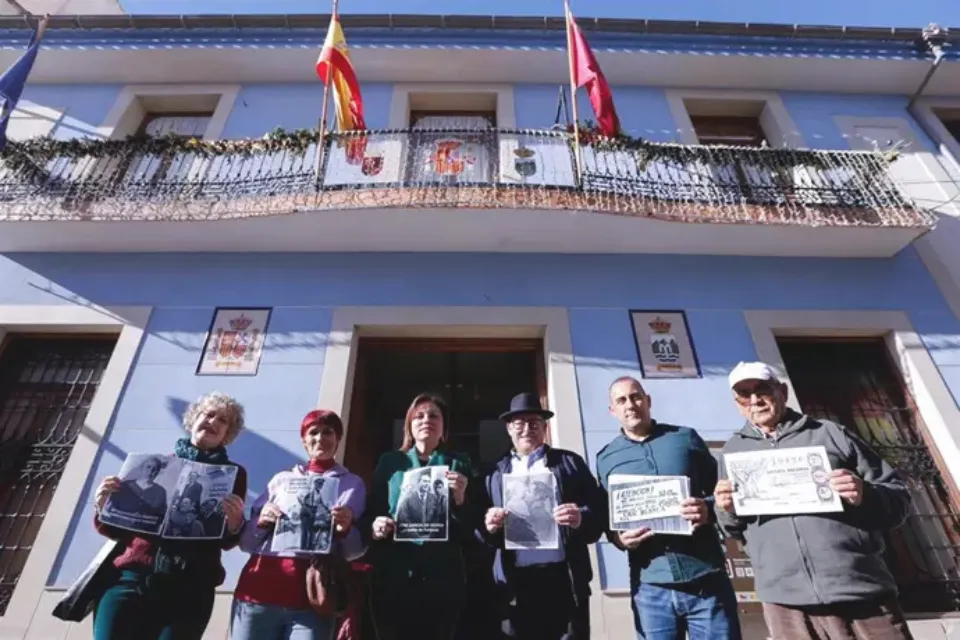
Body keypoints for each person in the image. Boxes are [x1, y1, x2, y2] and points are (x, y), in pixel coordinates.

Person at [714, 361, 914, 640]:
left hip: (859, 590)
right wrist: (725, 509)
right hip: (785, 604)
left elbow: (898, 498)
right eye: (745, 395)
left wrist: (865, 493)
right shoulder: (732, 452)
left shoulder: (830, 433)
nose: (755, 400)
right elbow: (733, 530)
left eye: (763, 390)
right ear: (738, 404)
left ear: (782, 392)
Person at [92, 391, 248, 640]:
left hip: (191, 588)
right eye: (208, 414)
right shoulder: (154, 465)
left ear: (227, 434)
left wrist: (235, 524)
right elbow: (114, 529)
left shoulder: (234, 474)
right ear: (193, 419)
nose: (213, 422)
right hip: (132, 578)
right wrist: (103, 506)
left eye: (223, 420)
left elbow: (228, 539)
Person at [596, 376, 742, 640]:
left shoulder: (685, 438)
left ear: (648, 400)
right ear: (612, 410)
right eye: (621, 400)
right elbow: (608, 518)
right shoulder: (606, 458)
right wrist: (618, 539)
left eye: (636, 396)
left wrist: (708, 509)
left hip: (705, 577)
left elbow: (723, 492)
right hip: (651, 586)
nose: (630, 405)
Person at [231, 409, 367, 640]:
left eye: (328, 432)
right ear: (304, 441)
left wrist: (345, 530)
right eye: (313, 432)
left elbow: (356, 550)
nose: (320, 438)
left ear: (337, 440)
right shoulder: (281, 481)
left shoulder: (352, 484)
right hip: (259, 591)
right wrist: (261, 523)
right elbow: (246, 543)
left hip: (312, 598)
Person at [480, 392, 606, 640]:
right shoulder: (493, 473)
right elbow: (479, 528)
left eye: (534, 423)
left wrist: (581, 516)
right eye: (519, 423)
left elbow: (599, 509)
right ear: (509, 429)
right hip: (516, 584)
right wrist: (489, 523)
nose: (527, 429)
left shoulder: (569, 463)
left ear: (545, 428)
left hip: (564, 580)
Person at [363, 393, 472, 640]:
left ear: (444, 427)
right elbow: (371, 512)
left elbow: (472, 527)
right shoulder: (391, 462)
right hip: (394, 574)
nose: (426, 421)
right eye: (419, 416)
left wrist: (461, 499)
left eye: (434, 416)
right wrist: (376, 526)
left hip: (442, 578)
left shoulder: (459, 464)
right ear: (409, 425)